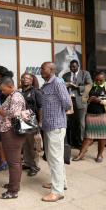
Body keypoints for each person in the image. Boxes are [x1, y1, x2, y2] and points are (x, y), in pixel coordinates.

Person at [0, 77, 27, 199]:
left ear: (10, 86)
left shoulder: (16, 97)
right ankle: (14, 184)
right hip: (9, 131)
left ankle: (13, 191)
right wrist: (0, 110)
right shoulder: (12, 95)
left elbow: (14, 115)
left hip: (12, 132)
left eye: (3, 89)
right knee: (14, 161)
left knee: (14, 162)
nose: (2, 92)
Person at [40, 62, 71, 202]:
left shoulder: (57, 82)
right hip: (48, 126)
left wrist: (58, 116)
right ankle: (60, 183)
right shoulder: (46, 84)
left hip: (56, 126)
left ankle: (57, 192)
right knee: (53, 157)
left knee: (56, 158)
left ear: (52, 70)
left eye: (43, 68)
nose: (41, 70)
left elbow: (67, 103)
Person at [72, 72, 106, 163]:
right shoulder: (89, 86)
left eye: (101, 80)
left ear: (105, 79)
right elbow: (84, 99)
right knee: (88, 136)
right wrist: (89, 99)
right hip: (91, 114)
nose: (98, 81)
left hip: (104, 114)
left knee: (102, 137)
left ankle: (100, 155)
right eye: (97, 80)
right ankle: (81, 154)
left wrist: (100, 101)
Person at [62, 60, 92, 148]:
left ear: (78, 65)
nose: (72, 68)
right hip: (69, 101)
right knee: (71, 123)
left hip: (81, 101)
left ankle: (81, 143)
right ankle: (73, 142)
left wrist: (78, 87)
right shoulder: (66, 75)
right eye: (71, 67)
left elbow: (90, 85)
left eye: (74, 67)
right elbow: (62, 86)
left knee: (81, 123)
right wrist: (66, 85)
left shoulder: (85, 73)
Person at [20, 72, 43, 176]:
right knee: (25, 143)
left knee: (33, 144)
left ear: (32, 80)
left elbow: (40, 107)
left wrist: (40, 121)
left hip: (32, 120)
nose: (25, 79)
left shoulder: (36, 92)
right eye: (23, 78)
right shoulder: (20, 92)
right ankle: (28, 163)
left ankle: (35, 166)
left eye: (28, 78)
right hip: (22, 120)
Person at [0, 66, 13, 171]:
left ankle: (3, 160)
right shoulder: (8, 84)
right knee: (3, 139)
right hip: (5, 116)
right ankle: (4, 158)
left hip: (2, 115)